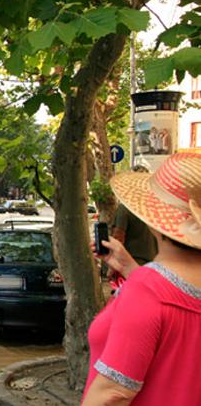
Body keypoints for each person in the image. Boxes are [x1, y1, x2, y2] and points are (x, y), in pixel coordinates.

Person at [83, 153, 201, 405]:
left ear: (154, 221)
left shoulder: (146, 290)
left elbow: (112, 394)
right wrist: (130, 268)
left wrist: (139, 280)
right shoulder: (154, 289)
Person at [111, 166, 157, 266]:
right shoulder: (155, 207)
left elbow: (118, 239)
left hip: (131, 263)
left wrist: (112, 267)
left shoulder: (125, 208)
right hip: (154, 263)